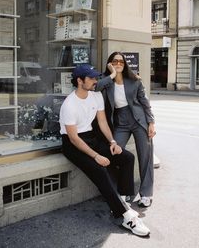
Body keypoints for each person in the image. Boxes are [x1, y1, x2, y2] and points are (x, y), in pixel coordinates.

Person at [59, 64, 150, 237]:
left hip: (91, 137)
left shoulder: (95, 96)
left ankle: (122, 200)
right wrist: (96, 156)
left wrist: (113, 142)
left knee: (127, 157)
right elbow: (73, 138)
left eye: (96, 77)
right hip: (73, 144)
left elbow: (102, 123)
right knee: (100, 169)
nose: (96, 81)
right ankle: (125, 217)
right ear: (80, 81)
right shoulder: (69, 105)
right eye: (91, 78)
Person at [95, 52, 156, 208]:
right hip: (120, 122)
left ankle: (146, 193)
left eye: (121, 61)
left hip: (139, 119)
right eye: (115, 61)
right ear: (110, 63)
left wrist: (151, 122)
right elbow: (96, 88)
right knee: (116, 152)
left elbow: (145, 102)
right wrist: (113, 74)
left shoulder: (134, 80)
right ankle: (124, 190)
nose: (118, 63)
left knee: (145, 156)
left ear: (125, 64)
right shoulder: (106, 81)